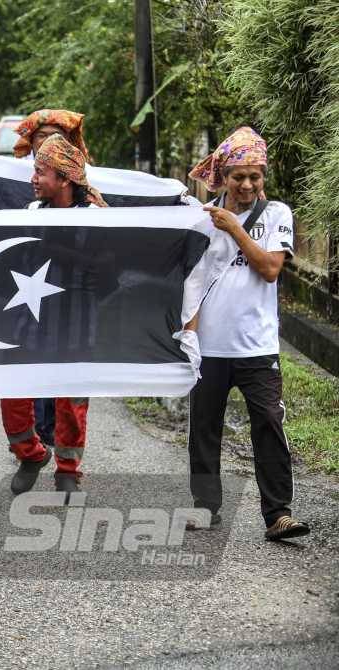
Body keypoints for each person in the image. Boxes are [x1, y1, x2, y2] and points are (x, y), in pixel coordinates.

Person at [185, 126, 310, 541]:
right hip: (210, 347)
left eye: (255, 175)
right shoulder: (200, 219)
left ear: (263, 176)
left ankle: (278, 515)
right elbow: (192, 281)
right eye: (239, 176)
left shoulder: (276, 215)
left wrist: (235, 229)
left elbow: (271, 268)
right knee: (204, 429)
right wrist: (189, 337)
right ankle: (205, 509)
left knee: (269, 425)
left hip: (257, 345)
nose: (247, 184)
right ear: (223, 175)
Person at [0, 134, 106, 502]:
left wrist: (53, 244)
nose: (33, 178)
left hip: (76, 325)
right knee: (13, 394)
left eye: (41, 172)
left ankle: (68, 470)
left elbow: (106, 266)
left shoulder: (97, 218)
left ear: (64, 179)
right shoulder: (31, 212)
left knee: (71, 403)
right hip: (29, 322)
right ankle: (31, 454)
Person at [12, 109, 91, 161]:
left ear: (67, 140)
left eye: (56, 135)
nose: (49, 140)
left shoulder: (80, 171)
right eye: (42, 135)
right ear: (31, 141)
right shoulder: (19, 168)